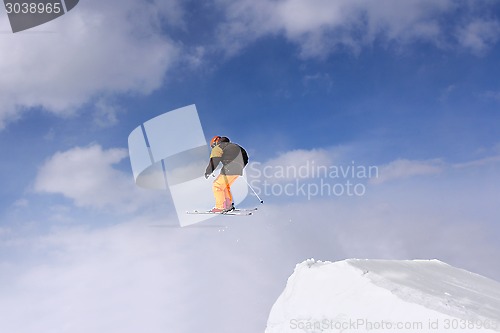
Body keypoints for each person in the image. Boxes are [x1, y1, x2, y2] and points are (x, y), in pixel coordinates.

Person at [205, 135, 249, 213]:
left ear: (215, 142)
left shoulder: (219, 147)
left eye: (212, 146)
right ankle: (228, 205)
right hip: (238, 169)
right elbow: (245, 157)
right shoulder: (234, 146)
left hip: (230, 168)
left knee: (217, 185)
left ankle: (220, 207)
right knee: (224, 186)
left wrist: (208, 172)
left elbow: (214, 160)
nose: (213, 148)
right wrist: (239, 166)